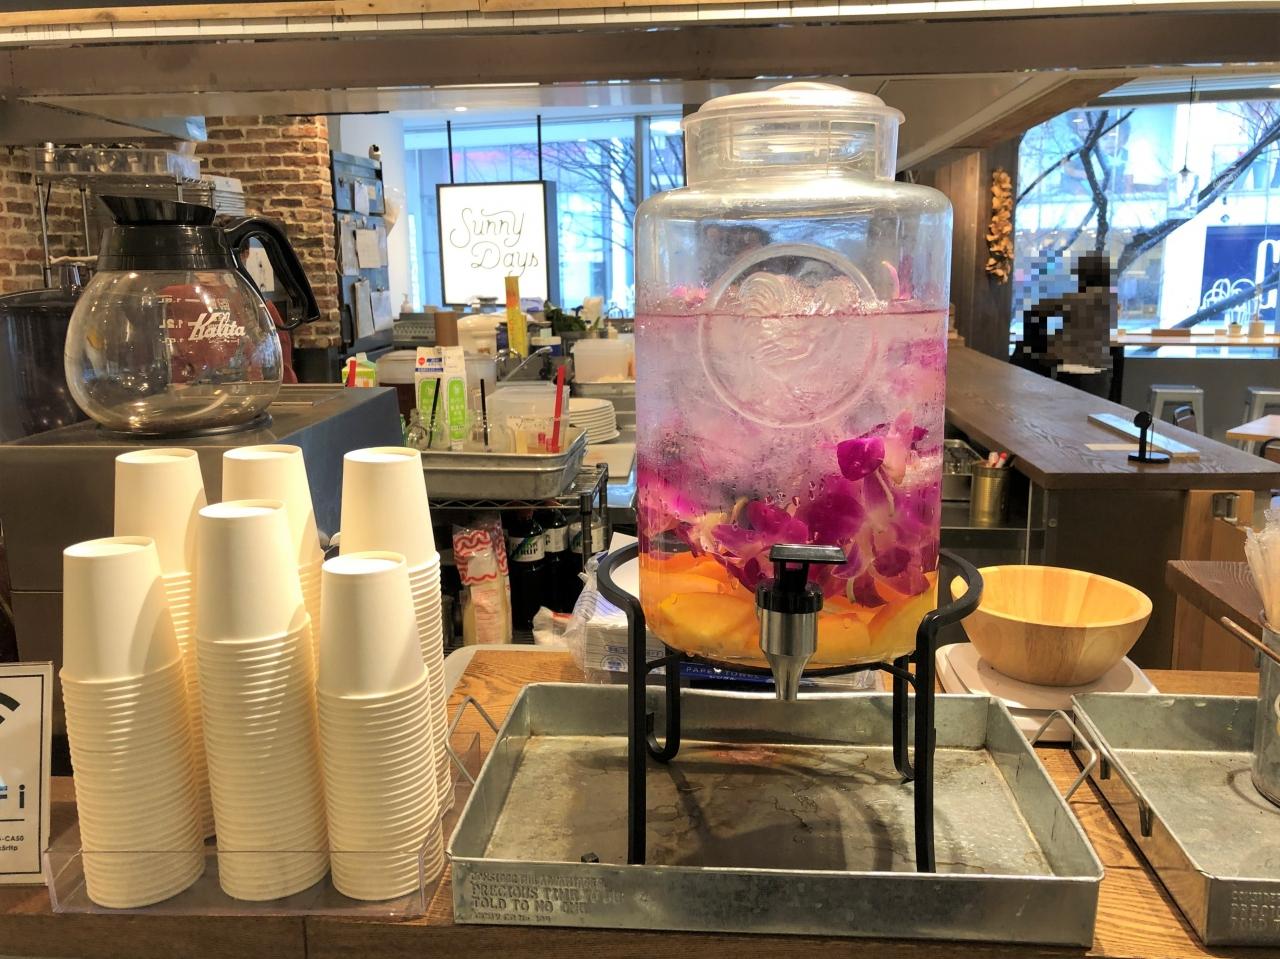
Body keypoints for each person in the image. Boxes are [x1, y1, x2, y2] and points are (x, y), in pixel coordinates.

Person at [1011, 252, 1118, 398]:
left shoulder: (1074, 300)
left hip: (1072, 370)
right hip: (1100, 371)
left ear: (1082, 275)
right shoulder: (1111, 302)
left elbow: (1037, 309)